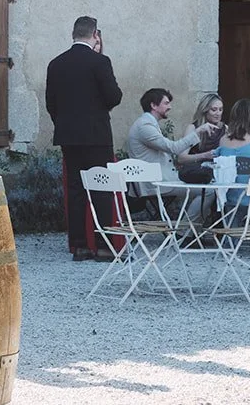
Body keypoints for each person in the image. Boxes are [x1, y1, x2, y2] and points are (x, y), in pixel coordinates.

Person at [43, 15, 122, 259]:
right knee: (101, 190)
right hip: (96, 136)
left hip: (68, 135)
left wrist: (63, 123)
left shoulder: (56, 64)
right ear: (95, 34)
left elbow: (50, 103)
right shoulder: (100, 62)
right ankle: (103, 245)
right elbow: (114, 97)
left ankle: (80, 246)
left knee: (76, 190)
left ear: (73, 33)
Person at [124, 87, 204, 213]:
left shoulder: (148, 124)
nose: (170, 107)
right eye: (166, 103)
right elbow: (174, 148)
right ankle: (186, 229)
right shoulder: (145, 126)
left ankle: (186, 228)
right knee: (209, 191)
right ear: (154, 105)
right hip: (156, 185)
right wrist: (198, 132)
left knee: (206, 186)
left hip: (160, 181)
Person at [175, 93, 225, 183]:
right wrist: (204, 155)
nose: (218, 113)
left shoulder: (225, 129)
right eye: (214, 110)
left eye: (220, 109)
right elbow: (181, 158)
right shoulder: (193, 128)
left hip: (219, 175)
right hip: (197, 174)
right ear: (205, 110)